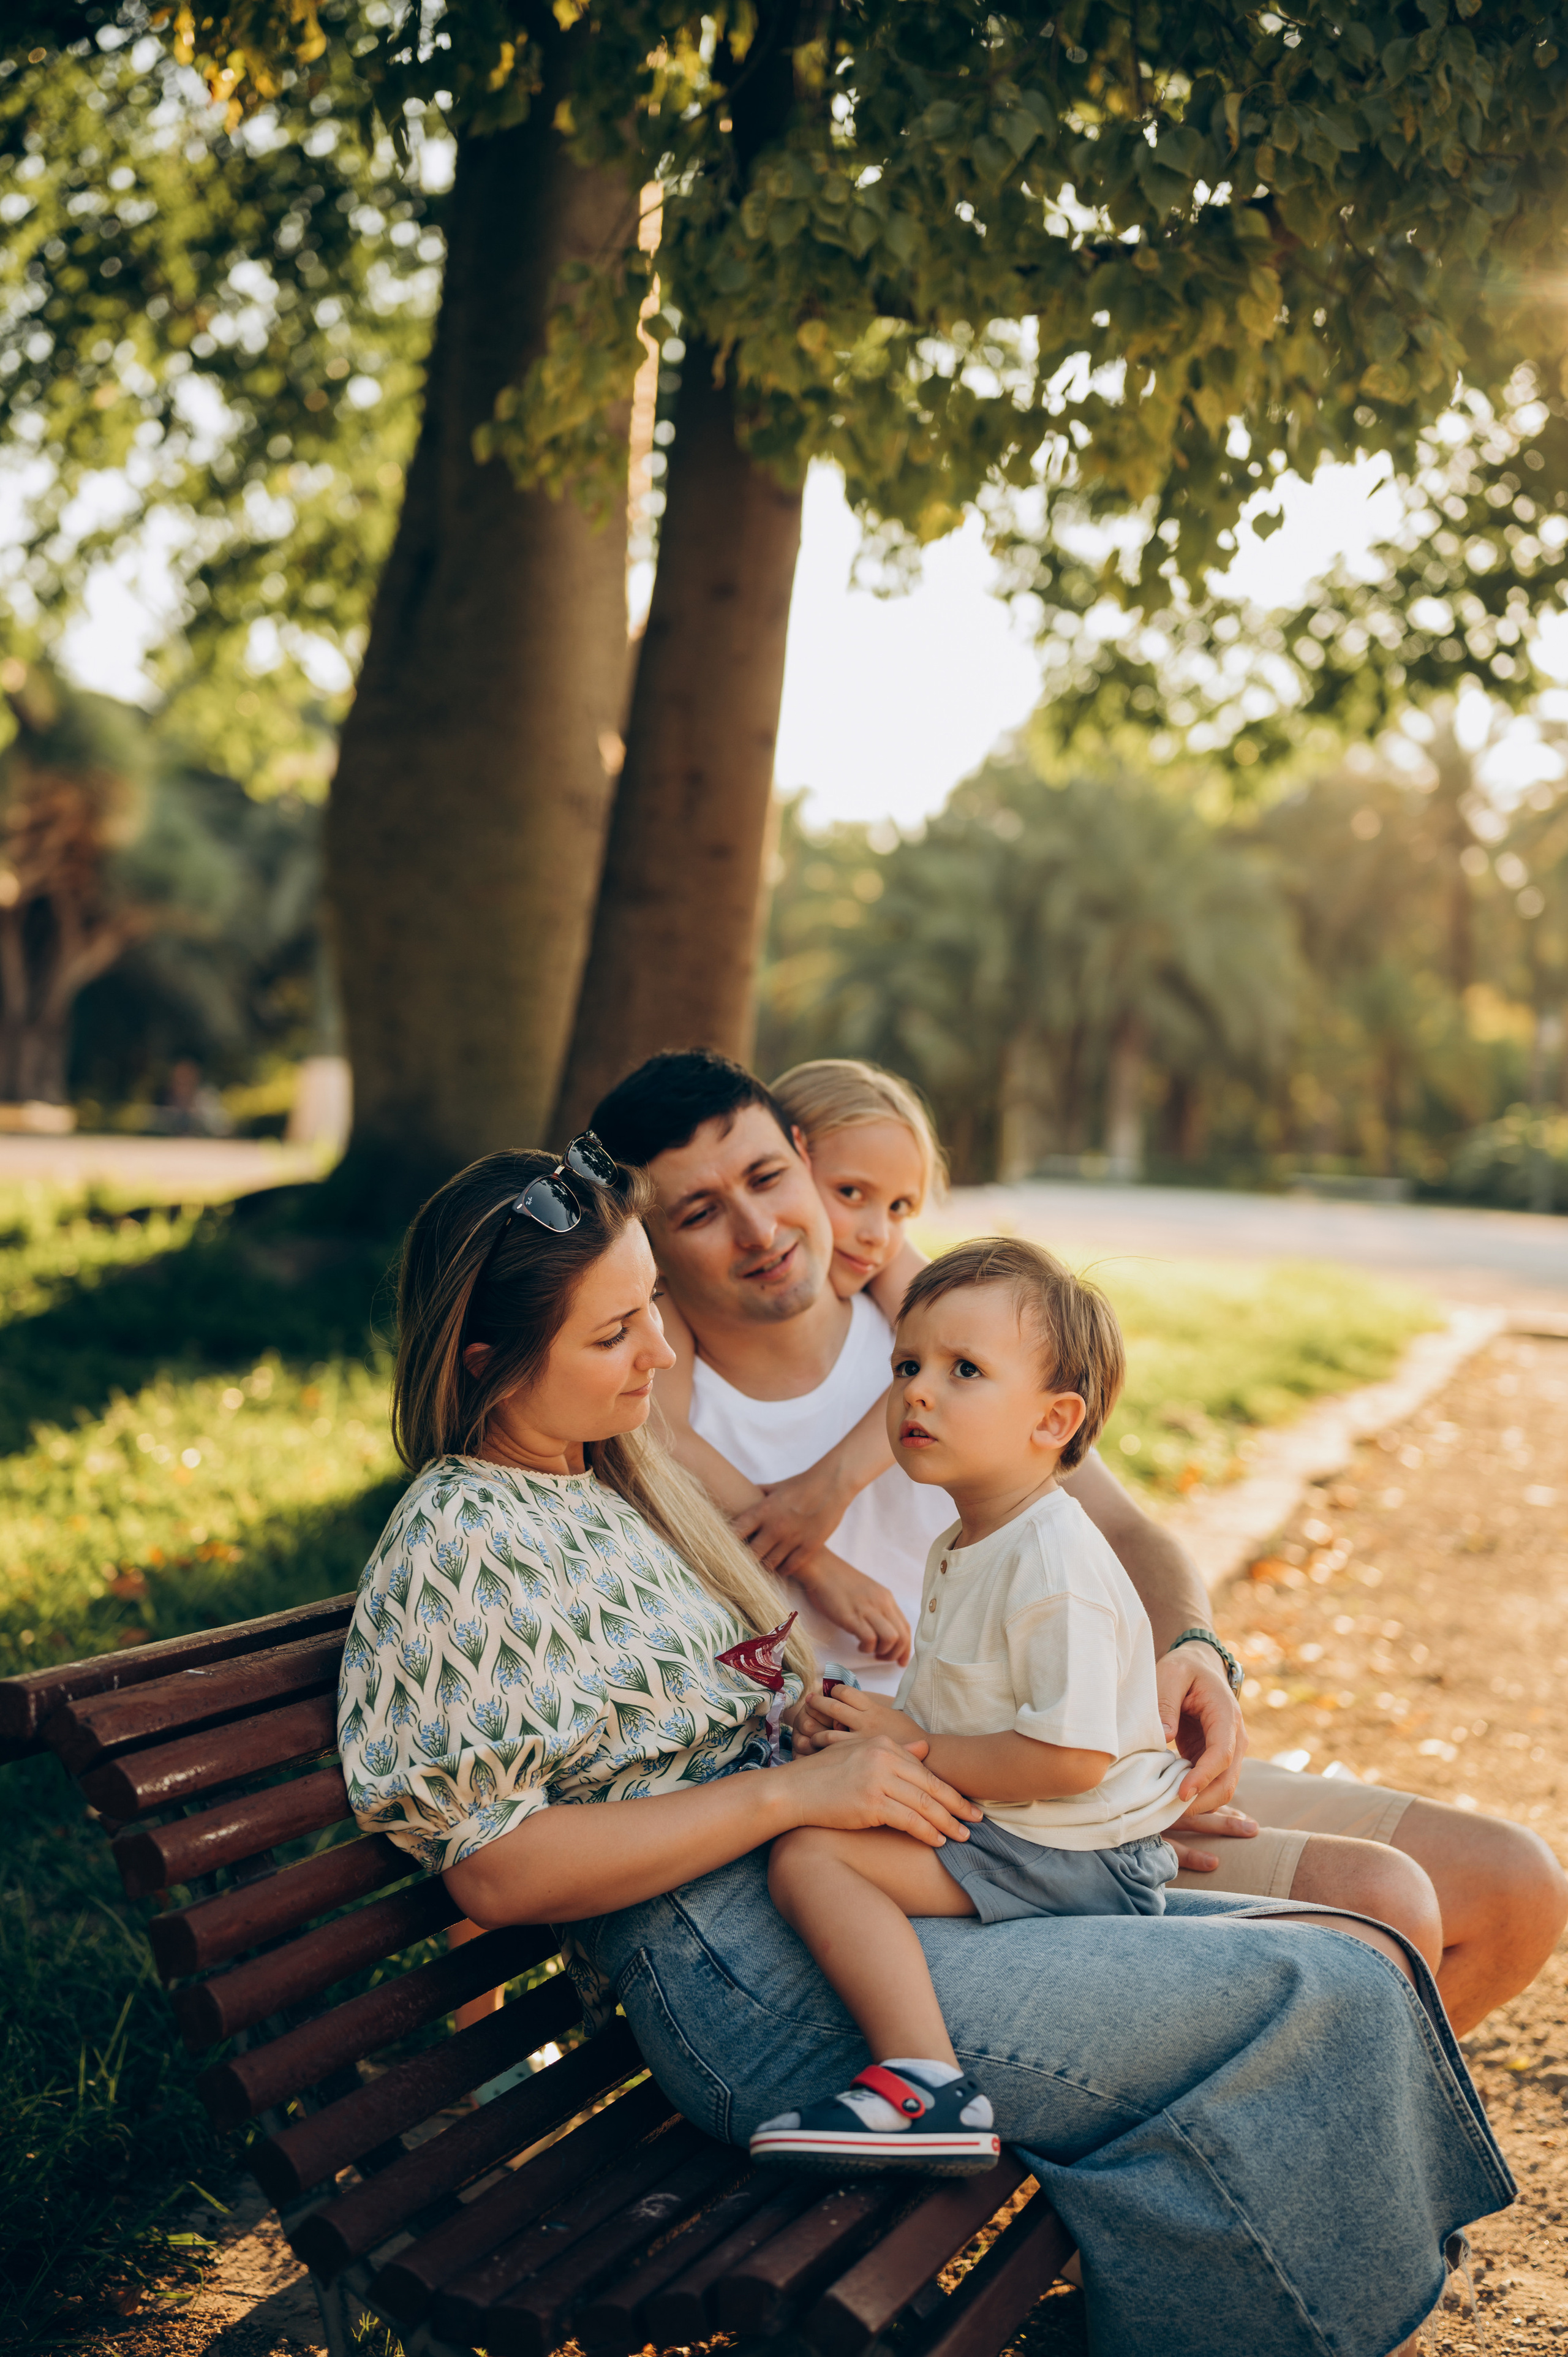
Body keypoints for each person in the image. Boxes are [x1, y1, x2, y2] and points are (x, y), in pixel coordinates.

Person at [337, 1140, 1511, 2357]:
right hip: (748, 1988)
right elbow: (496, 1869)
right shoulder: (462, 1544)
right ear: (484, 1360)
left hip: (849, 1892)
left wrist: (1098, 1796)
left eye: (649, 1309)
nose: (659, 1350)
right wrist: (797, 1788)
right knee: (1318, 1986)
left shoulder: (600, 1482)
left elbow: (721, 1702)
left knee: (1358, 1956)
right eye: (613, 1333)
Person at [589, 1048, 1568, 2034]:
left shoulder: (951, 1336)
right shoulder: (660, 1402)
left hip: (1079, 1744)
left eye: (766, 1177)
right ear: (650, 1249)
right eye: (699, 1213)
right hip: (950, 1806)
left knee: (1513, 1886)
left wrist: (1194, 1647)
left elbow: (1134, 1529)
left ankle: (1183, 2162)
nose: (761, 1230)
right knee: (1382, 1911)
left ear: (803, 1154)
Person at [754, 1240, 1207, 2173]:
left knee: (812, 1854)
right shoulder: (974, 1535)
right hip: (1031, 1819)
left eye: (964, 1369)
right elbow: (962, 1706)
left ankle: (928, 2084)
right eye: (906, 1365)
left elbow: (1069, 1758)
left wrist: (909, 1745)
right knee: (825, 1796)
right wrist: (861, 1724)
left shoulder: (1053, 1560)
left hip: (1065, 1849)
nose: (918, 1391)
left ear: (1055, 1419)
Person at [650, 1057, 940, 1676]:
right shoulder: (664, 1317)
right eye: (852, 1194)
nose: (876, 1236)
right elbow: (656, 1431)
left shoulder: (898, 1290)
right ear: (805, 1164)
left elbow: (953, 1352)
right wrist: (813, 1561)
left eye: (900, 1209)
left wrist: (831, 1483)